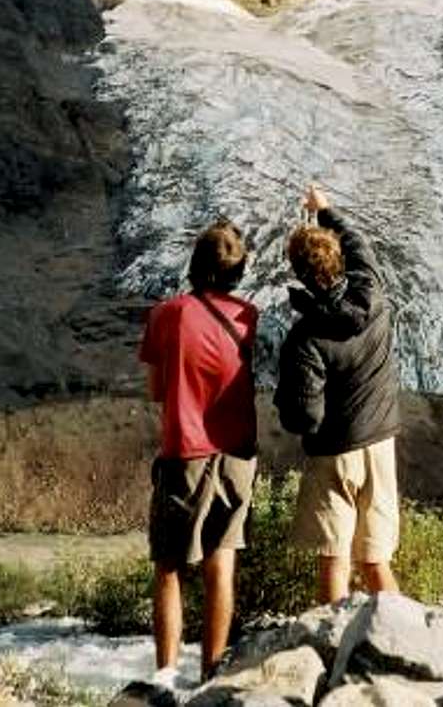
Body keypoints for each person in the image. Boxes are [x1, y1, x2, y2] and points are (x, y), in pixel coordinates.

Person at [139, 219, 258, 687]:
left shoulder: (167, 314)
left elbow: (155, 390)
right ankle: (212, 674)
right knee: (221, 562)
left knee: (169, 566)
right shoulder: (250, 316)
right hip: (237, 455)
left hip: (184, 453)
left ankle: (166, 676)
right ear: (238, 269)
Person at [275, 184, 401, 604]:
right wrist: (325, 210)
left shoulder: (305, 337)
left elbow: (303, 417)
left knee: (334, 557)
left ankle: (333, 653)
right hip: (381, 443)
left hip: (334, 453)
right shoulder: (373, 292)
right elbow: (359, 244)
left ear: (300, 274)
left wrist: (284, 402)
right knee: (375, 559)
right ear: (339, 260)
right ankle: (408, 642)